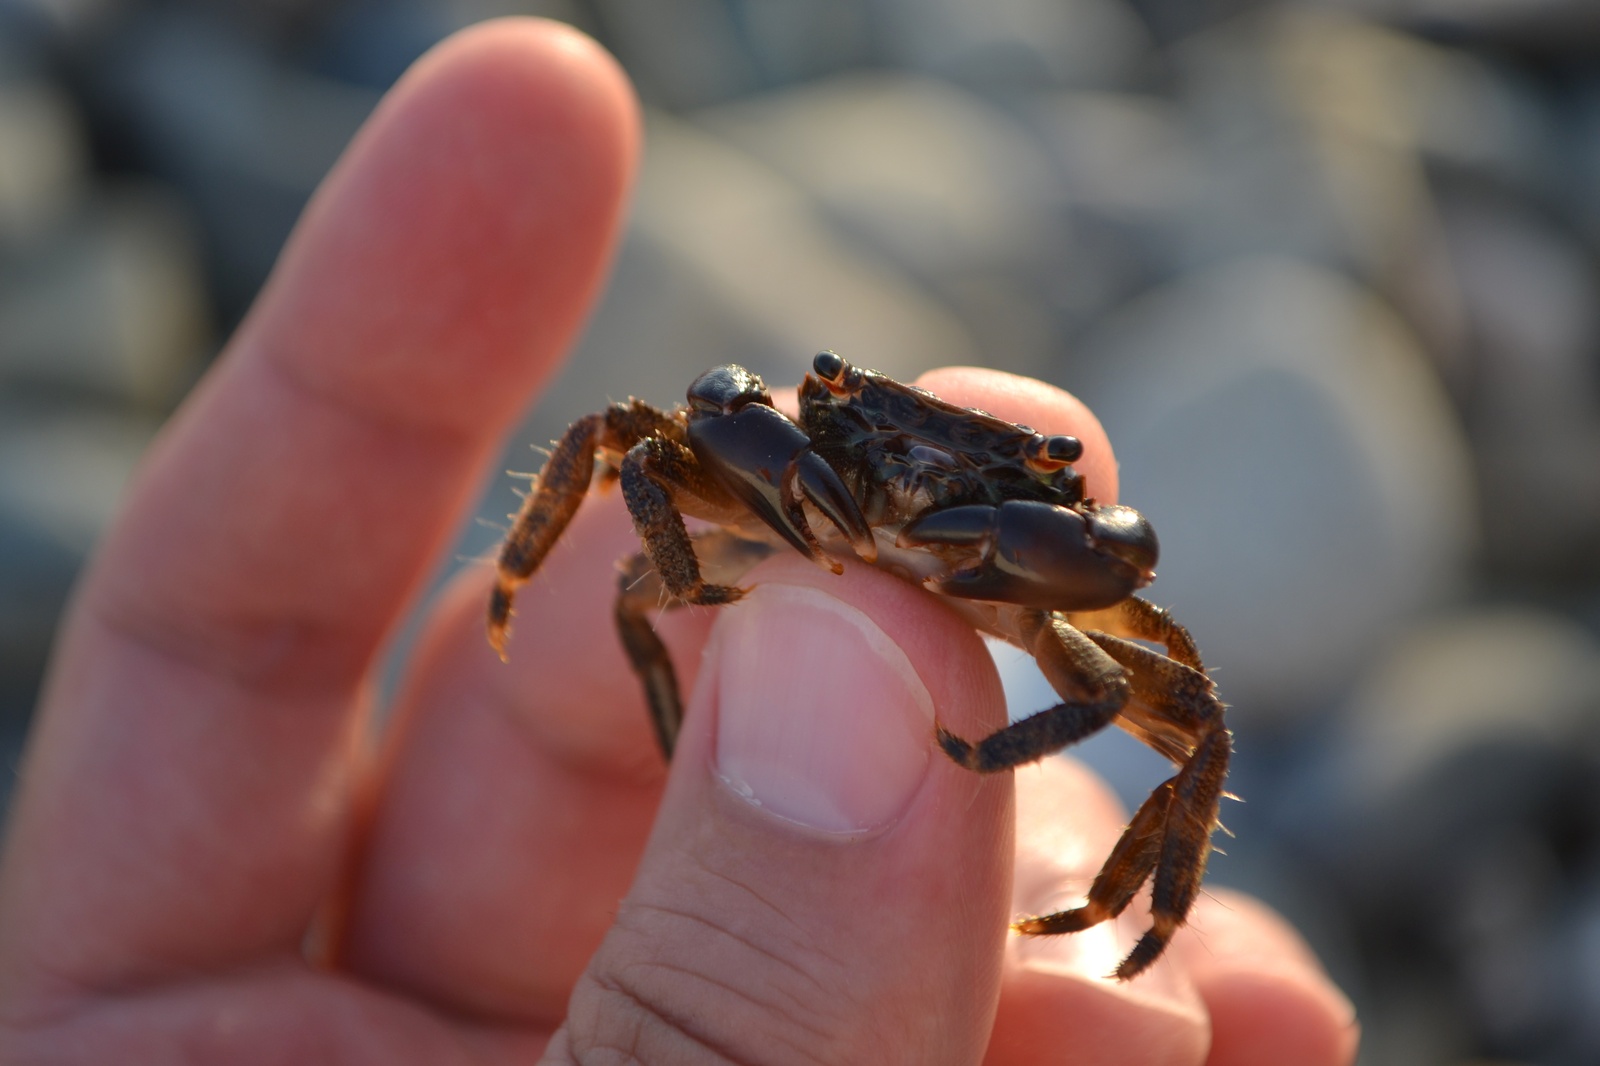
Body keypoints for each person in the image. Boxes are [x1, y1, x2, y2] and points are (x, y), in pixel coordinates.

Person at [0, 19, 1358, 1065]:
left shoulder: (1061, 572)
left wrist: (1010, 740)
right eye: (860, 433)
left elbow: (1135, 662)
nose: (908, 475)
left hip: (989, 580)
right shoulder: (796, 451)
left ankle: (1118, 916)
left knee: (1188, 718)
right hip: (792, 524)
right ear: (833, 413)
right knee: (640, 490)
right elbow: (649, 439)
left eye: (992, 479)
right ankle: (637, 682)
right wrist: (577, 561)